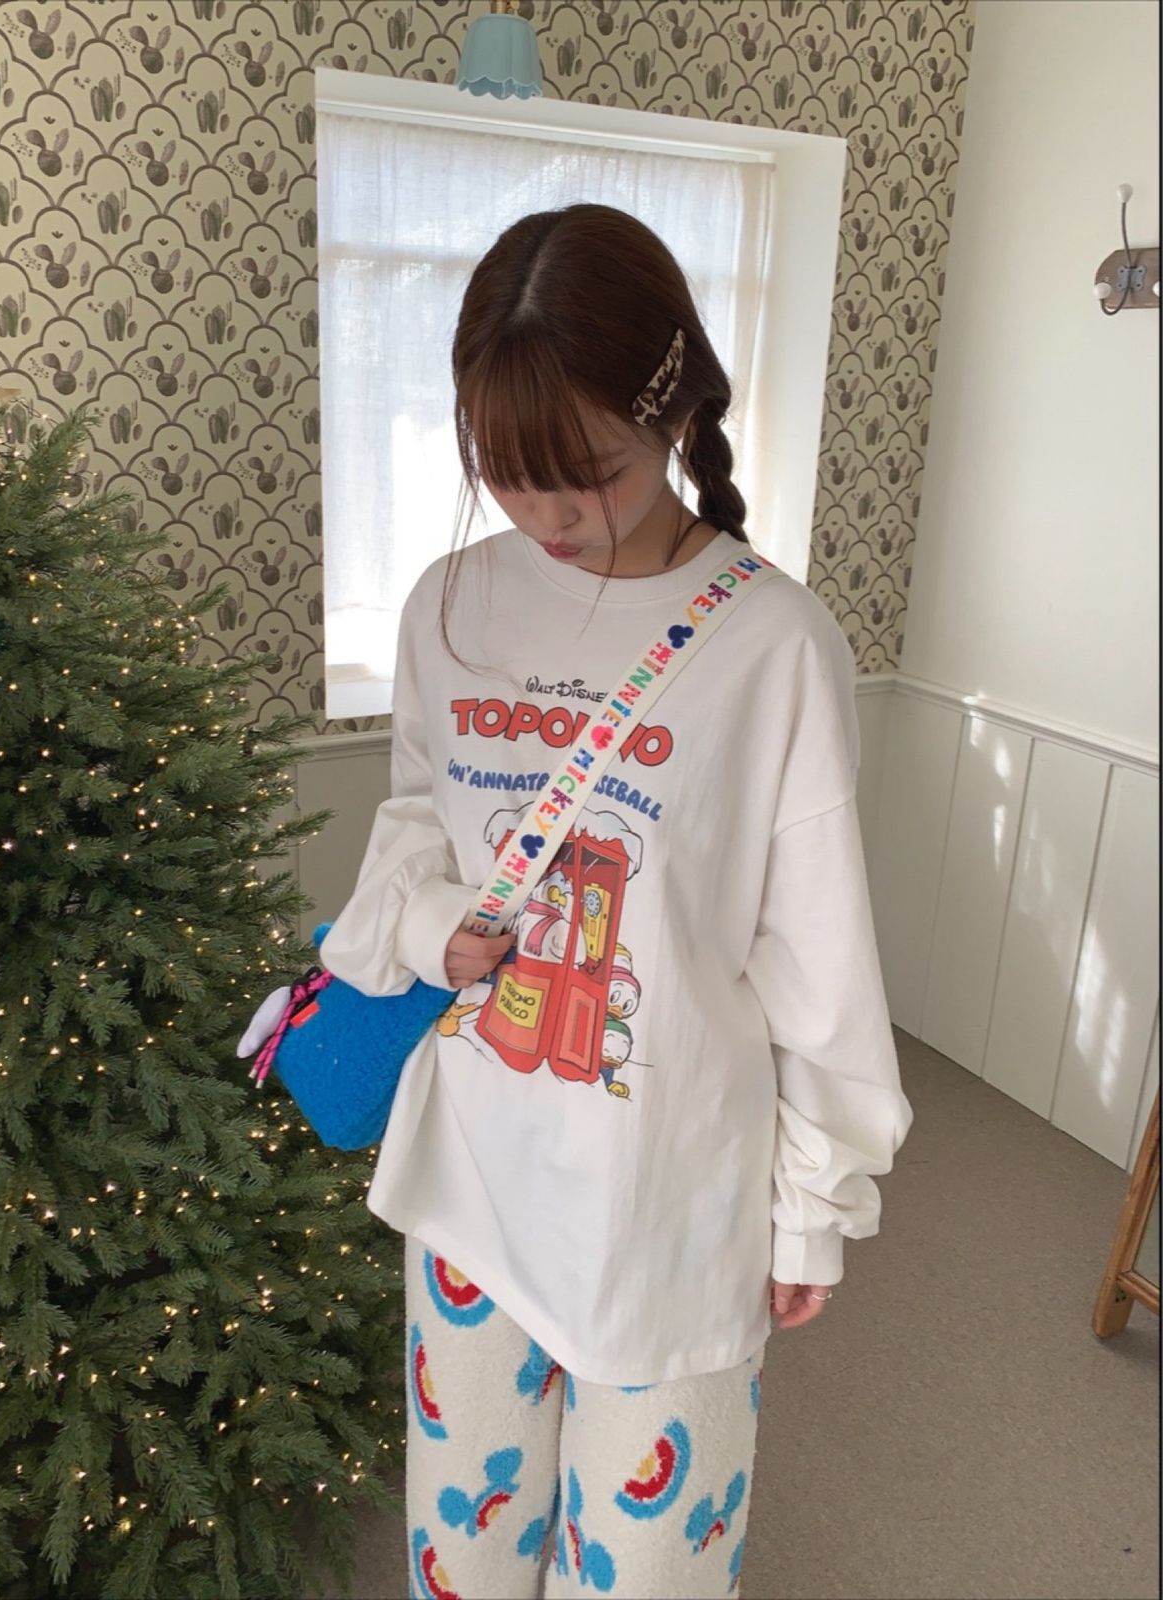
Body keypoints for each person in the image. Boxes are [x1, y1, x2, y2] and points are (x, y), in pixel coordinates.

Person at [319, 202, 914, 1600]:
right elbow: (413, 827)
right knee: (461, 1557)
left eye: (585, 475)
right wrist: (428, 930)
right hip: (471, 1186)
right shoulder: (449, 605)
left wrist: (811, 1206)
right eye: (508, 476)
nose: (548, 520)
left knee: (644, 1576)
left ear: (676, 408)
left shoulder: (776, 644)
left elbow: (817, 956)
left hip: (669, 1208)